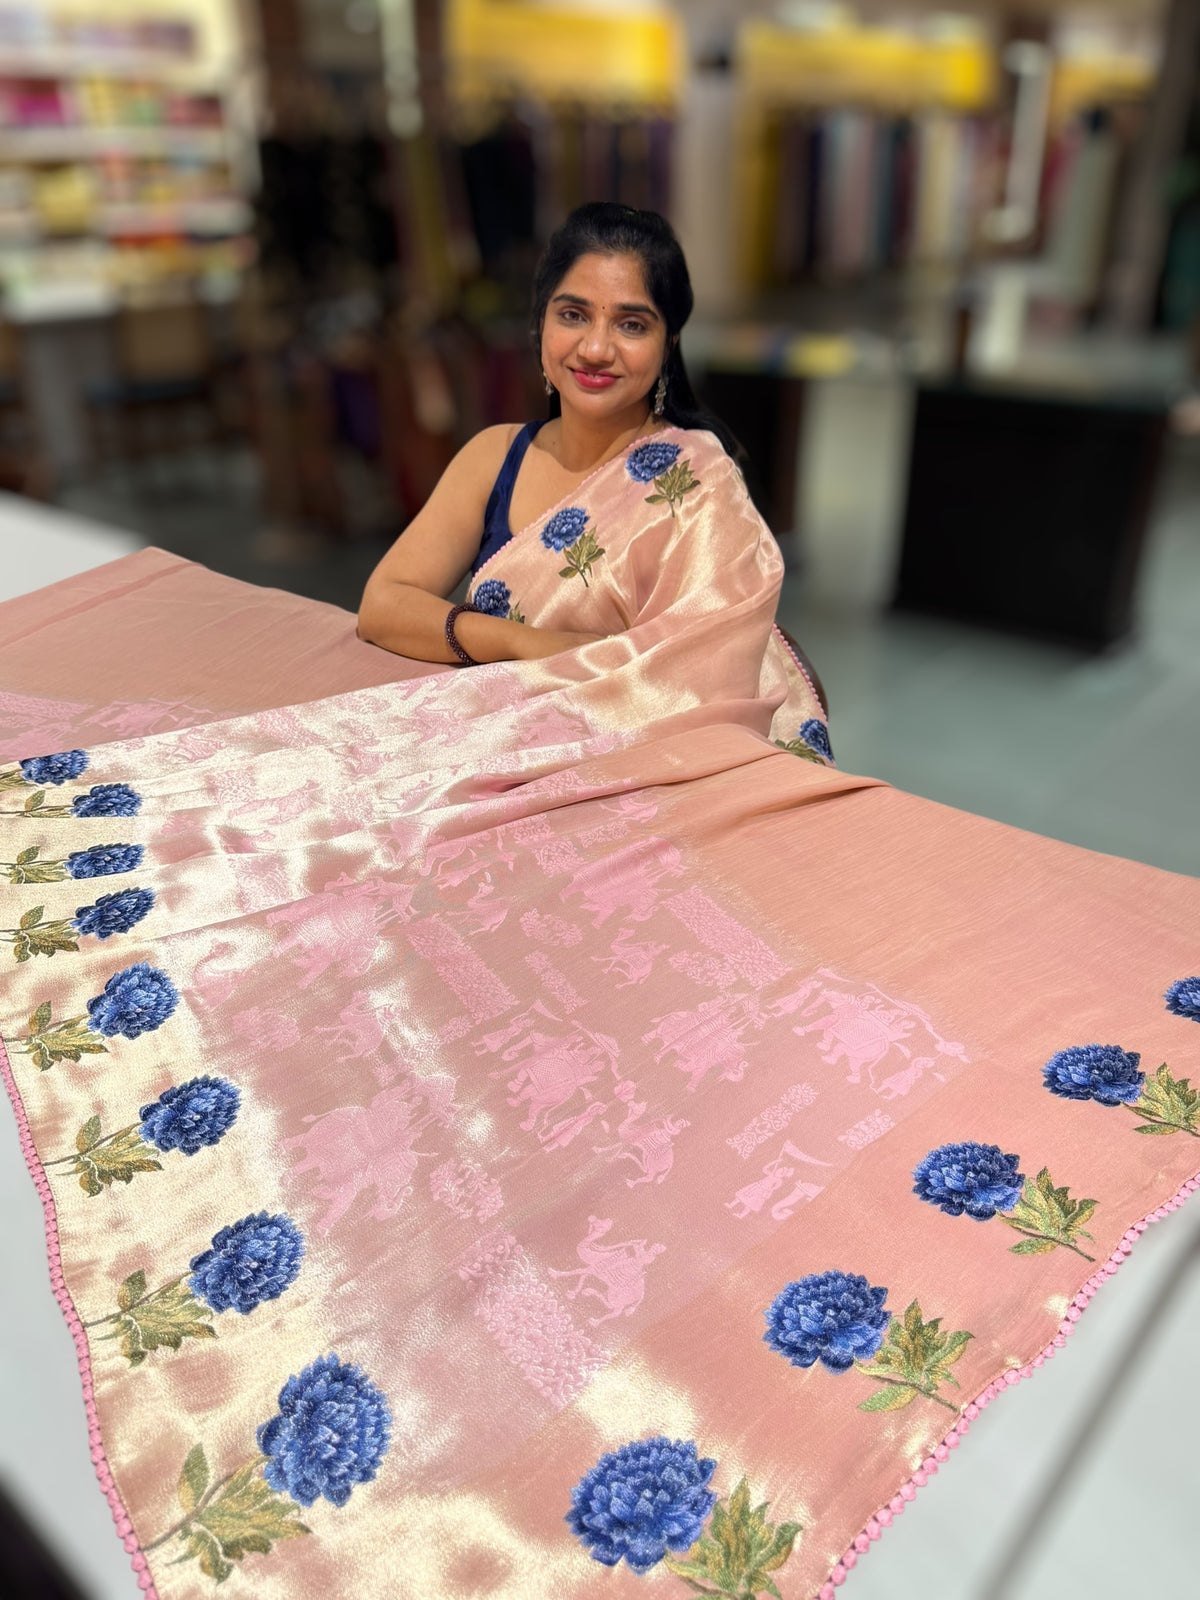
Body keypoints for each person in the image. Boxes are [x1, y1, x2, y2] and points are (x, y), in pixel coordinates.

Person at [1, 207, 1198, 1600]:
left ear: (667, 340)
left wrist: (535, 676)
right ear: (540, 321)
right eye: (576, 311)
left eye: (633, 320)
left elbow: (697, 678)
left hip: (664, 745)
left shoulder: (691, 482)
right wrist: (531, 656)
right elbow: (387, 604)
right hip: (529, 721)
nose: (598, 343)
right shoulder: (493, 458)